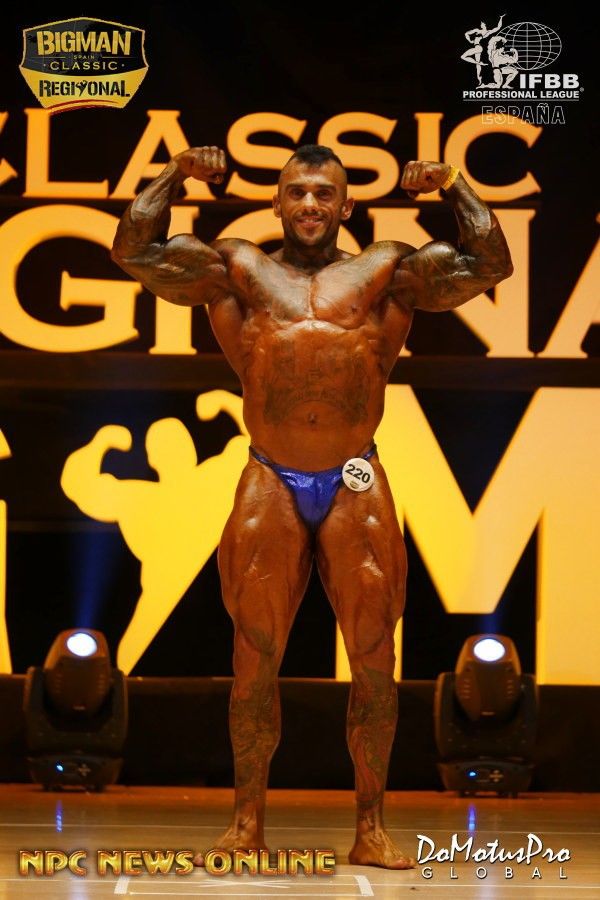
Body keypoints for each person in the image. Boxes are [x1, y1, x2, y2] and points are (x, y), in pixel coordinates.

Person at [111, 145, 513, 869]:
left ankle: (371, 828)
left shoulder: (386, 270)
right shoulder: (236, 268)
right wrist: (174, 172)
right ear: (277, 201)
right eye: (296, 191)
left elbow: (489, 264)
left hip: (355, 477)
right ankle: (245, 824)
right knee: (253, 657)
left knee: (374, 655)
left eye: (324, 193)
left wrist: (453, 183)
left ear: (346, 205)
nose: (309, 205)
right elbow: (135, 251)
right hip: (271, 475)